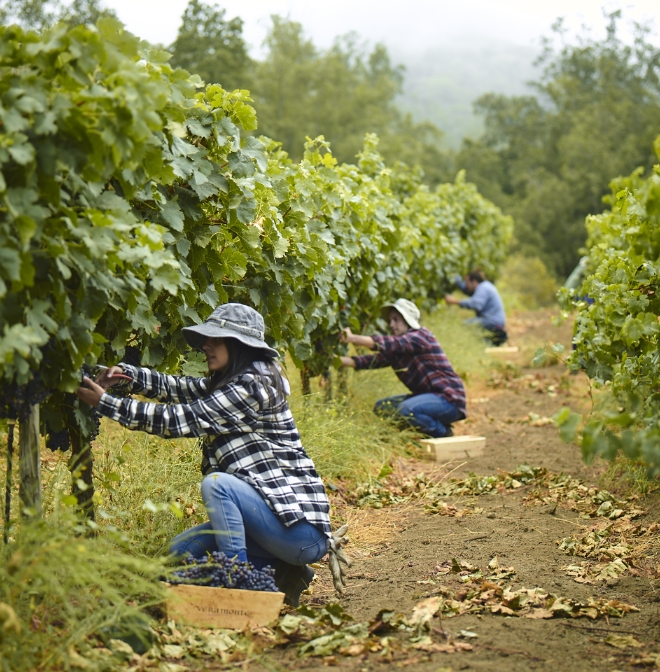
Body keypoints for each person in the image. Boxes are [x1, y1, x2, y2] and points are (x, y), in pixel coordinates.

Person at [76, 303, 331, 607]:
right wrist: (129, 376)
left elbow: (182, 419)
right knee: (181, 553)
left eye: (216, 339)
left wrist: (107, 403)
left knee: (218, 484)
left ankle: (238, 588)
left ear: (239, 345)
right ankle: (287, 573)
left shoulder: (251, 384)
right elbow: (181, 388)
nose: (206, 346)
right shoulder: (231, 380)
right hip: (275, 522)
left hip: (299, 530)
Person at [338, 298, 466, 438]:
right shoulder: (399, 349)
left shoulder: (421, 336)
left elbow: (390, 343)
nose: (391, 324)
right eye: (390, 321)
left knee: (407, 410)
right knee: (383, 407)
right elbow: (372, 361)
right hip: (429, 399)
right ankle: (428, 429)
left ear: (407, 319)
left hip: (449, 400)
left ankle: (442, 433)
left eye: (396, 319)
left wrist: (352, 338)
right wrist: (338, 361)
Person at [445, 271, 508, 345]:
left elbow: (476, 304)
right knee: (473, 328)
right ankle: (488, 342)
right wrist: (457, 279)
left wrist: (455, 301)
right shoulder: (485, 286)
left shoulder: (483, 288)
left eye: (466, 282)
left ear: (474, 281)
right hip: (495, 321)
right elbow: (467, 290)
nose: (465, 285)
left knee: (464, 325)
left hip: (492, 322)